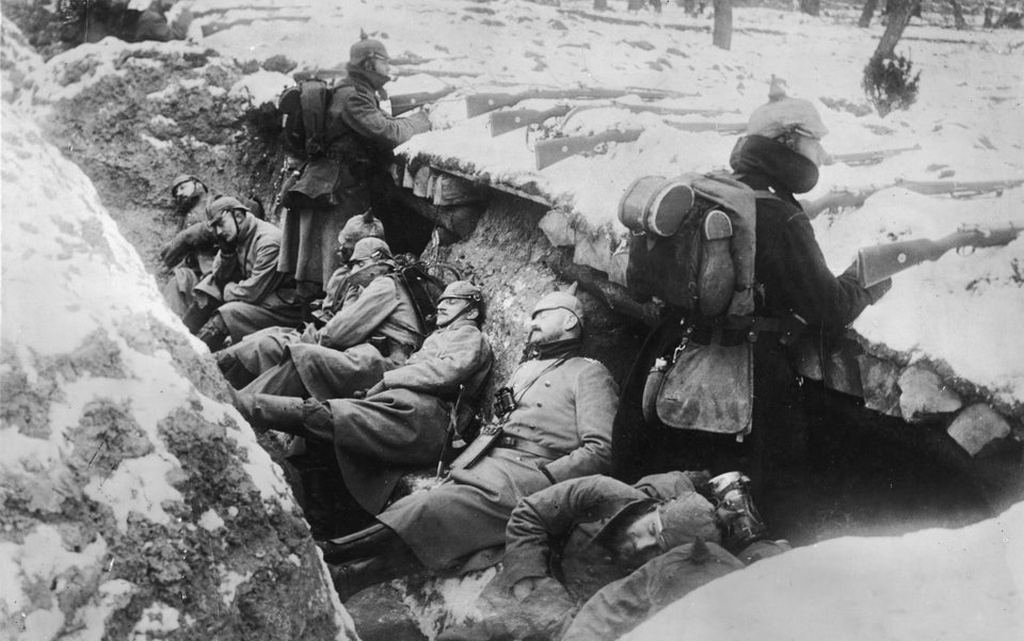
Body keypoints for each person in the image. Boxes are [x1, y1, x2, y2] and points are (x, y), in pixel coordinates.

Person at [612, 83, 892, 523]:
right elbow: (829, 308)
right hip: (746, 373)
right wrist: (866, 283)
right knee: (771, 497)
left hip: (669, 355)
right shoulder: (781, 215)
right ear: (788, 142)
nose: (821, 154)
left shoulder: (717, 190)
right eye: (814, 141)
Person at [318, 290, 619, 600]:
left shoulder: (589, 373)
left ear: (569, 320)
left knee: (429, 506)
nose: (533, 323)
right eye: (532, 318)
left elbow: (601, 449)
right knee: (428, 508)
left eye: (542, 315)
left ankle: (331, 552)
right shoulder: (526, 369)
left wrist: (548, 479)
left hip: (531, 476)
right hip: (490, 465)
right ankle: (353, 577)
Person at [237, 280, 493, 519]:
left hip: (427, 418)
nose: (441, 304)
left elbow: (446, 373)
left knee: (329, 416)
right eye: (442, 299)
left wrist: (389, 379)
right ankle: (318, 515)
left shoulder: (469, 334)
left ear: (471, 312)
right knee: (325, 430)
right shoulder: (441, 336)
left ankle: (242, 408)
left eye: (452, 301)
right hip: (409, 409)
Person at [277, 33, 431, 297]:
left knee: (323, 261)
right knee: (339, 256)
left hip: (334, 180)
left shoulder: (355, 90)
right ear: (370, 64)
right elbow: (388, 132)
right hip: (339, 187)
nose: (389, 68)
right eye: (385, 62)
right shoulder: (353, 96)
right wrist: (422, 120)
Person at [223, 237, 422, 398]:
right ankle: (227, 391)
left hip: (383, 366)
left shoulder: (385, 285)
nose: (354, 272)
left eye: (359, 264)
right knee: (275, 341)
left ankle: (239, 406)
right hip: (371, 359)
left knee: (303, 356)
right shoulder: (390, 284)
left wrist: (314, 338)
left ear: (379, 262)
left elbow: (338, 332)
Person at [214, 217, 388, 389]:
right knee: (260, 338)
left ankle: (221, 385)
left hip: (332, 348)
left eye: (347, 247)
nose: (340, 249)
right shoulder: (343, 273)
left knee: (264, 345)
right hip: (319, 335)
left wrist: (312, 334)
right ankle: (210, 368)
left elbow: (341, 331)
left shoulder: (372, 283)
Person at [187, 196, 302, 351]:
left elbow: (254, 292)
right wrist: (227, 254)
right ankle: (180, 338)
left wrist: (228, 290)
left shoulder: (268, 242)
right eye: (214, 227)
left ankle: (194, 356)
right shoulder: (238, 234)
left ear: (239, 216)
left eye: (220, 224)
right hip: (260, 297)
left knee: (228, 313)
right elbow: (218, 277)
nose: (218, 232)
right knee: (208, 290)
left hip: (282, 309)